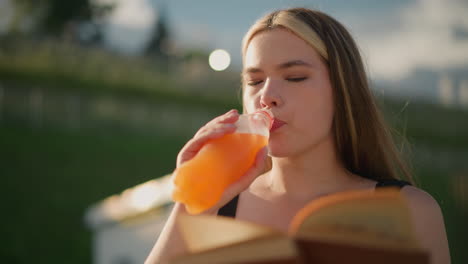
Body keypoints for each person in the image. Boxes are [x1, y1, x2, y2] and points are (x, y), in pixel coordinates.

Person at [145, 7, 450, 264]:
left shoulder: (411, 211)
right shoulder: (219, 208)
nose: (267, 96)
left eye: (294, 77)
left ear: (344, 90)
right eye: (254, 81)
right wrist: (192, 204)